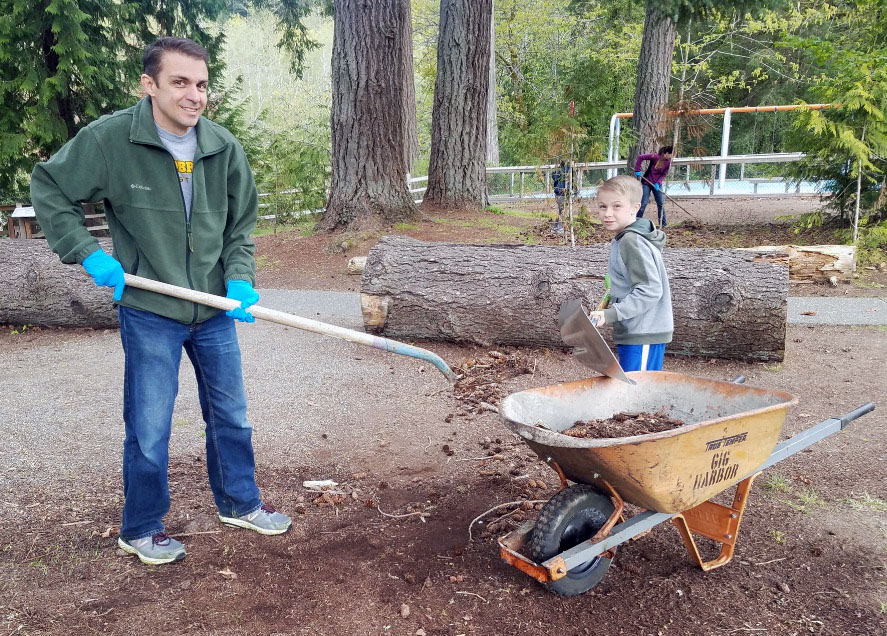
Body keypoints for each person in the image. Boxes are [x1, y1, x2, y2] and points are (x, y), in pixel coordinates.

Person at [30, 37, 291, 566]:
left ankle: (240, 502)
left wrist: (238, 280)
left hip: (214, 310)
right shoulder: (110, 141)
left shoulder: (222, 148)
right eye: (180, 83)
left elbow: (240, 228)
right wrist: (87, 253)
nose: (195, 96)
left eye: (201, 84)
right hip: (151, 309)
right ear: (149, 84)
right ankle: (142, 527)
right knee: (150, 425)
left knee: (232, 416)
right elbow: (50, 186)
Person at [589, 175, 673, 372]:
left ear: (635, 207)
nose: (607, 213)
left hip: (645, 330)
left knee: (637, 393)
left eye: (616, 206)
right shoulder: (625, 238)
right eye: (603, 206)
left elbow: (650, 290)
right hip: (636, 328)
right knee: (633, 390)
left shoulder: (631, 241)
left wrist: (611, 314)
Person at [634, 145, 674, 227]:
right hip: (647, 183)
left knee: (661, 203)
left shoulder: (669, 162)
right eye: (671, 154)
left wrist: (658, 182)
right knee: (643, 203)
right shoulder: (655, 156)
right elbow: (640, 157)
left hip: (657, 184)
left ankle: (663, 224)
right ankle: (636, 223)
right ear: (666, 153)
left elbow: (664, 174)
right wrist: (637, 170)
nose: (671, 157)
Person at [552, 160, 572, 234]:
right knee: (562, 211)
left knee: (561, 210)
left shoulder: (556, 172)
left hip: (558, 193)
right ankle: (559, 227)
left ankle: (557, 226)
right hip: (562, 193)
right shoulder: (565, 170)